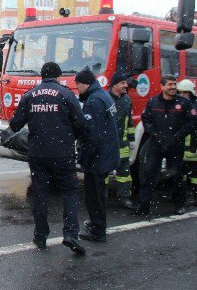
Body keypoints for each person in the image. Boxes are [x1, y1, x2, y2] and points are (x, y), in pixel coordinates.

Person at [9, 62, 87, 255]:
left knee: (40, 194)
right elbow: (81, 123)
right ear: (59, 76)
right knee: (69, 191)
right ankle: (70, 234)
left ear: (41, 77)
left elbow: (15, 124)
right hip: (62, 153)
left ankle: (40, 236)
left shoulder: (30, 95)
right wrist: (69, 137)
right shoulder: (66, 94)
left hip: (37, 154)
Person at [134, 75, 197, 216]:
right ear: (162, 86)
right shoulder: (153, 102)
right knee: (149, 173)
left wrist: (177, 136)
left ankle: (180, 205)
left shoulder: (184, 103)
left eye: (174, 84)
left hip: (175, 145)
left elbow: (192, 122)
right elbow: (146, 119)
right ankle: (143, 206)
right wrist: (155, 135)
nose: (173, 87)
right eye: (170, 84)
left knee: (176, 175)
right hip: (156, 144)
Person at [75, 68, 120, 243]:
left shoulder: (93, 101)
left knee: (94, 195)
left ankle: (98, 230)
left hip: (98, 157)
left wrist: (84, 158)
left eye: (77, 84)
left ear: (84, 83)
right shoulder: (103, 95)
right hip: (106, 152)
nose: (77, 88)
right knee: (99, 192)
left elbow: (91, 135)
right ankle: (97, 223)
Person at [177, 79, 197, 207]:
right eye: (181, 92)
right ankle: (181, 197)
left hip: (193, 148)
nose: (182, 95)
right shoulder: (177, 106)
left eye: (185, 92)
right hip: (180, 149)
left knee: (196, 174)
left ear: (190, 93)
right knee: (180, 176)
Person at [106, 72, 136, 209]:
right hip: (107, 144)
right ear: (114, 85)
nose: (126, 85)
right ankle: (102, 198)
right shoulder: (105, 98)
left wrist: (132, 139)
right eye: (122, 83)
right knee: (103, 173)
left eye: (126, 83)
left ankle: (125, 198)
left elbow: (129, 121)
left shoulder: (127, 100)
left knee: (124, 173)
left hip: (122, 144)